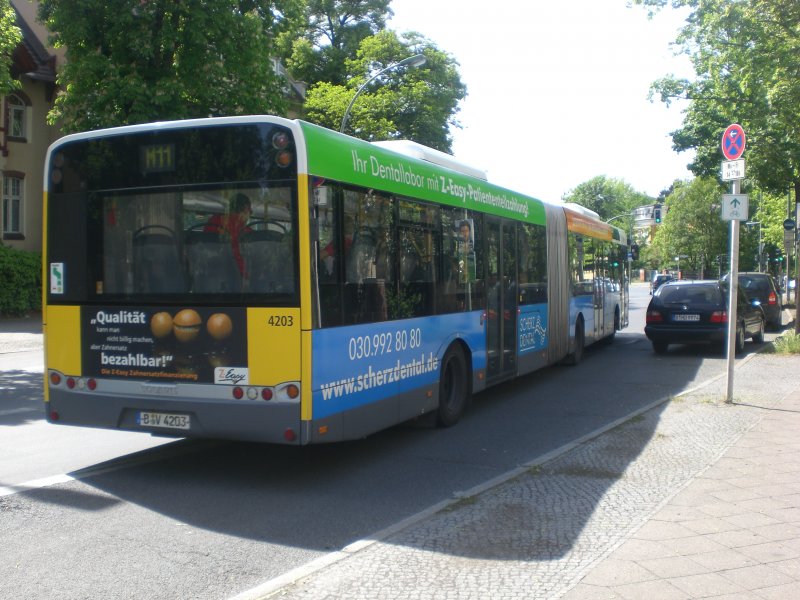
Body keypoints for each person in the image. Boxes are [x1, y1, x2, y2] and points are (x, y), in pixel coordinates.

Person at [205, 193, 253, 275]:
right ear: (246, 209)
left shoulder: (213, 221)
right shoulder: (247, 232)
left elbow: (204, 247)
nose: (249, 215)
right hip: (239, 276)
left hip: (211, 272)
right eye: (250, 212)